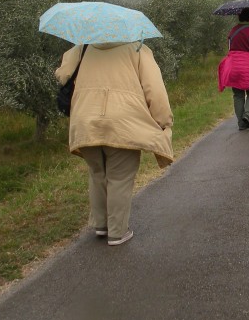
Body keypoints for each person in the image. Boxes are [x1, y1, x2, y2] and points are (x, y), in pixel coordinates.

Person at [55, 41, 174, 246]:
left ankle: (101, 225)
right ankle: (117, 232)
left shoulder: (83, 46)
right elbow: (154, 88)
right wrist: (163, 121)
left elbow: (62, 74)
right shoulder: (137, 48)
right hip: (124, 121)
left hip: (85, 118)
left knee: (97, 172)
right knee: (119, 176)